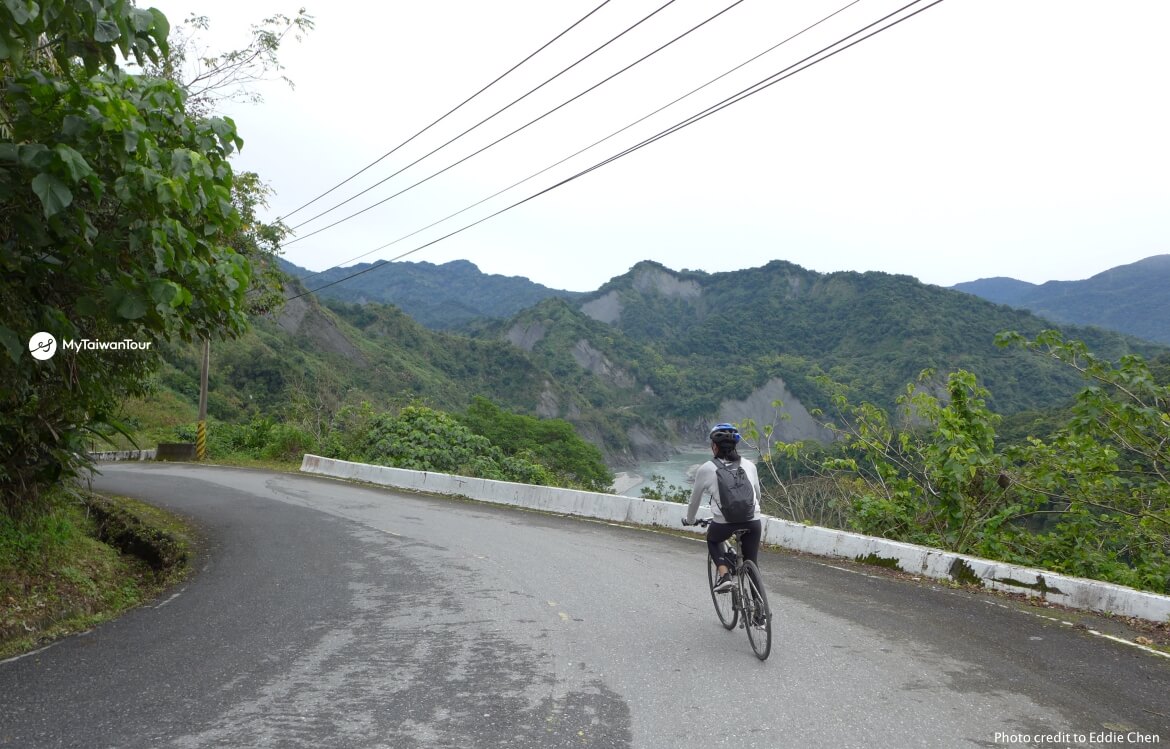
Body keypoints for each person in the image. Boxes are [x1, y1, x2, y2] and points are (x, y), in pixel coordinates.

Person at [683, 423, 763, 593]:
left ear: (714, 446)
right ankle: (759, 614)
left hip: (724, 522)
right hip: (753, 520)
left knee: (713, 539)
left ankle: (724, 575)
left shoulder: (705, 469)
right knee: (752, 562)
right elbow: (758, 495)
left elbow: (694, 501)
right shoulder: (750, 466)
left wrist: (690, 520)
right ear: (736, 445)